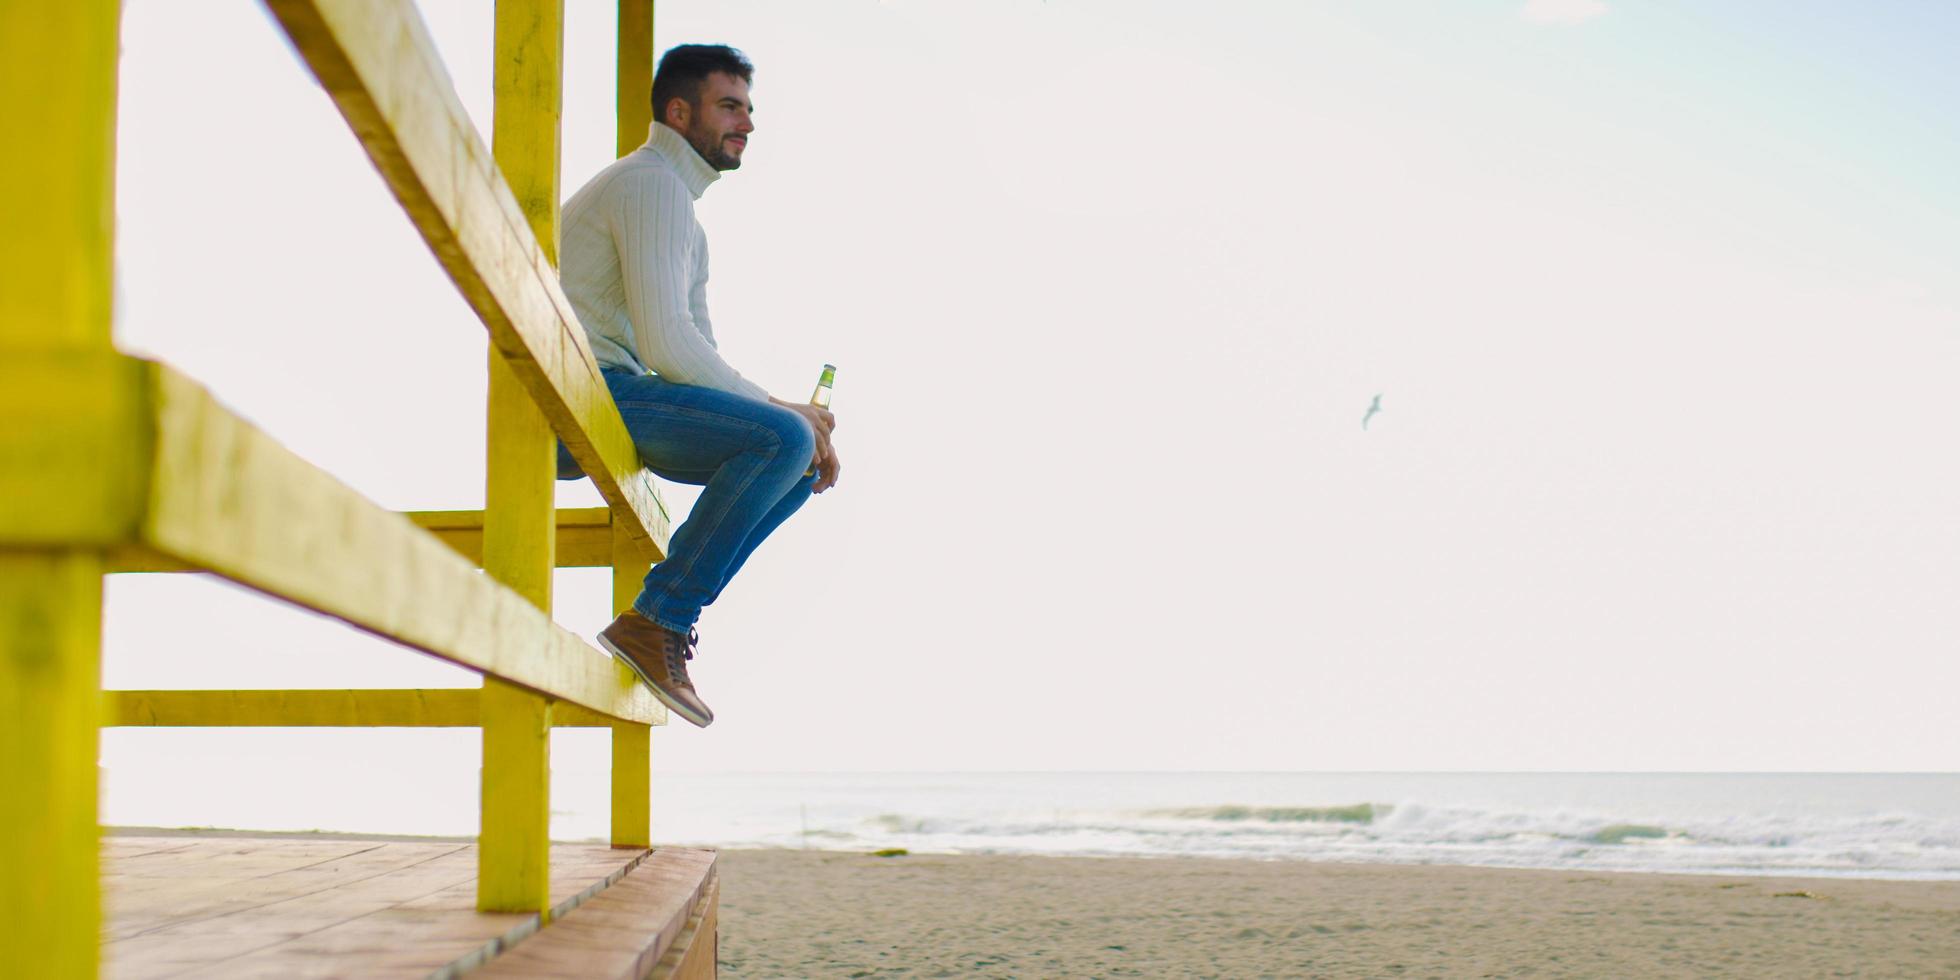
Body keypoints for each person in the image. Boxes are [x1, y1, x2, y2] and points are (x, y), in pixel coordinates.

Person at [557, 44, 839, 728]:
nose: (745, 123)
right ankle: (658, 620)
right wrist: (784, 413)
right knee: (784, 437)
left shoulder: (680, 211)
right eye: (729, 106)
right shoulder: (647, 184)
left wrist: (797, 429)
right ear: (678, 111)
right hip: (584, 397)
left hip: (615, 398)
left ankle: (662, 621)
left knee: (795, 460)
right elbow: (666, 346)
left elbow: (696, 351)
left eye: (748, 109)